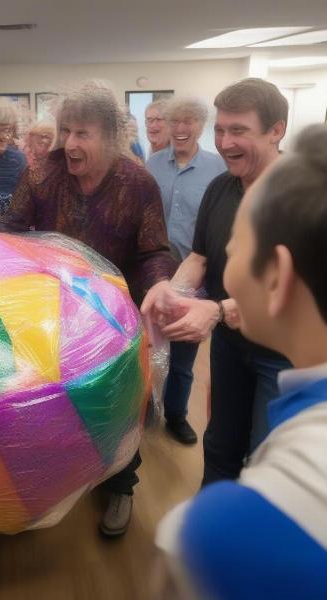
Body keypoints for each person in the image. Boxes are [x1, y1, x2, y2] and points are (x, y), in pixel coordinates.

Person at [154, 124, 327, 600]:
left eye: (237, 247)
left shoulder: (217, 538)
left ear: (278, 278)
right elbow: (198, 259)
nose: (225, 256)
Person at [1, 80, 175, 537]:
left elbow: (154, 250)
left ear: (111, 136)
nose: (70, 144)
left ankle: (121, 484)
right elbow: (10, 232)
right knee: (55, 403)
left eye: (83, 134)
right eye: (66, 131)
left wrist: (158, 287)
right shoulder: (43, 173)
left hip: (116, 320)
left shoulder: (137, 183)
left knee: (119, 406)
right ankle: (53, 481)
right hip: (50, 315)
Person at [142, 78, 292, 485]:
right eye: (221, 130)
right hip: (231, 346)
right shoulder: (221, 188)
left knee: (270, 461)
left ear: (276, 130)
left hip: (285, 356)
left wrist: (219, 309)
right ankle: (214, 542)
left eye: (239, 131)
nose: (225, 142)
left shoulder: (306, 195)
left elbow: (297, 288)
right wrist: (172, 290)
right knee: (221, 446)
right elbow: (199, 257)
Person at [146, 98, 225, 445]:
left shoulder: (217, 169)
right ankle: (143, 409)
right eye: (174, 120)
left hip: (196, 277)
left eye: (189, 121)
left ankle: (176, 414)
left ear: (200, 125)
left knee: (182, 353)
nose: (180, 128)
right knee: (146, 347)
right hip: (155, 274)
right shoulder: (153, 164)